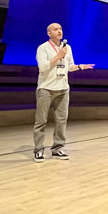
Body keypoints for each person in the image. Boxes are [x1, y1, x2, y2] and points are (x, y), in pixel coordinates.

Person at [33, 23, 94, 162]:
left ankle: (57, 149)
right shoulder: (43, 48)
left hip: (63, 89)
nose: (59, 31)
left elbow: (69, 67)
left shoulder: (67, 48)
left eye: (60, 29)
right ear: (49, 33)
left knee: (61, 121)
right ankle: (38, 150)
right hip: (46, 89)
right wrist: (58, 56)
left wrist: (79, 67)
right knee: (41, 121)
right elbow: (42, 67)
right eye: (56, 29)